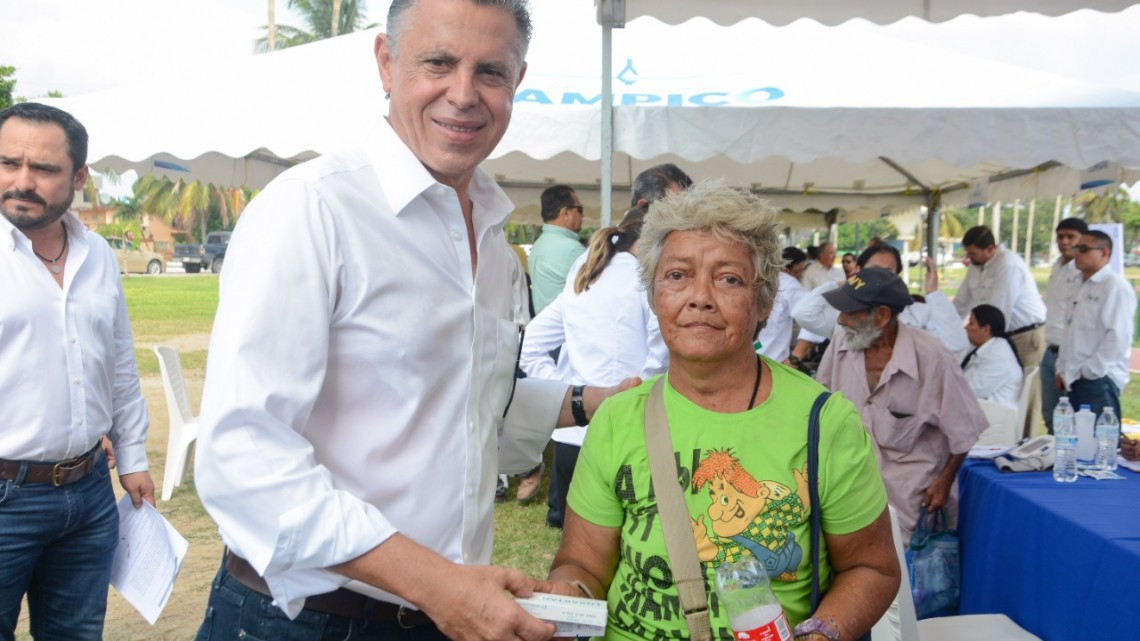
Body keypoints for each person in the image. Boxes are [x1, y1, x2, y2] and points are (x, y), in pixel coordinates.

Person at [192, 2, 634, 640]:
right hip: (307, 621)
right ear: (386, 63)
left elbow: (469, 413)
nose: (463, 94)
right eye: (438, 63)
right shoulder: (313, 208)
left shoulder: (490, 233)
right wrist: (434, 582)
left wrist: (597, 402)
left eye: (490, 71)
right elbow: (243, 455)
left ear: (518, 79)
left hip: (439, 616)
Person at [538, 182, 899, 641]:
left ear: (764, 301)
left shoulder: (824, 422)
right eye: (677, 276)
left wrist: (821, 634)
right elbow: (583, 564)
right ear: (654, 298)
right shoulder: (617, 418)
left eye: (728, 278)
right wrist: (567, 595)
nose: (700, 297)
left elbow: (872, 568)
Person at [0, 102, 155, 640]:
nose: (21, 182)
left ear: (79, 176)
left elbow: (118, 363)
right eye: (7, 163)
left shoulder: (99, 256)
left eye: (42, 169)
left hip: (89, 494)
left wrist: (132, 456)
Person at [521, 205, 667, 528]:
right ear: (651, 243)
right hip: (628, 436)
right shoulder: (645, 281)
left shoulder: (583, 275)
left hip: (571, 439)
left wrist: (569, 393)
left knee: (571, 555)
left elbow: (528, 345)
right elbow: (660, 360)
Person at [816, 267, 986, 538]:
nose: (840, 320)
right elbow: (821, 407)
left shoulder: (931, 356)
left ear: (882, 316)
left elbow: (965, 430)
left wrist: (944, 482)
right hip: (849, 492)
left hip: (910, 498)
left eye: (850, 312)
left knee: (909, 576)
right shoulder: (840, 346)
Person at [791, 244, 969, 356]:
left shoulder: (918, 311)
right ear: (858, 270)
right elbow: (802, 313)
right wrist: (839, 285)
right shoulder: (843, 315)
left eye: (889, 272)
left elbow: (955, 345)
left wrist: (933, 293)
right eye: (874, 270)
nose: (881, 278)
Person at [1056, 230, 1137, 423]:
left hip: (1098, 380)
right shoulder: (1077, 283)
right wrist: (1062, 367)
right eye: (1077, 248)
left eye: (1084, 249)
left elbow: (1118, 336)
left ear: (1104, 253)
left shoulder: (1114, 286)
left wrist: (1091, 371)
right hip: (1072, 378)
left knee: (1100, 445)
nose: (1077, 253)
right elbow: (1069, 330)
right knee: (1073, 443)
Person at [953, 225, 1047, 369]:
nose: (969, 258)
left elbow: (998, 309)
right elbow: (961, 302)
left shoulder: (1008, 264)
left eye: (973, 254)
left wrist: (976, 338)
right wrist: (945, 327)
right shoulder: (976, 264)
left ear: (990, 249)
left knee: (1025, 388)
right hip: (998, 334)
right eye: (967, 253)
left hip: (1025, 336)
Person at [1040, 217, 1088, 432]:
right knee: (1050, 415)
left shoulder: (1084, 272)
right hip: (1050, 351)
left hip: (1071, 355)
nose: (1065, 242)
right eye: (1060, 237)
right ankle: (1051, 461)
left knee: (1071, 421)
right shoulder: (1057, 266)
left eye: (1071, 237)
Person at [527, 184, 585, 314]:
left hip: (544, 326)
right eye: (580, 210)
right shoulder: (571, 249)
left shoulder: (538, 245)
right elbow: (597, 292)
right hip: (566, 329)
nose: (582, 217)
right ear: (565, 212)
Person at [961, 304, 1023, 410]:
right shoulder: (992, 348)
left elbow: (972, 390)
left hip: (994, 415)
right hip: (984, 410)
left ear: (986, 329)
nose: (966, 327)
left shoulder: (998, 355)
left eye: (971, 323)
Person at [754, 246, 808, 363]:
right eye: (798, 272)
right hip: (754, 355)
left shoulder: (789, 285)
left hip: (773, 362)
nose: (800, 276)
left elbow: (811, 320)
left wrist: (794, 358)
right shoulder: (753, 279)